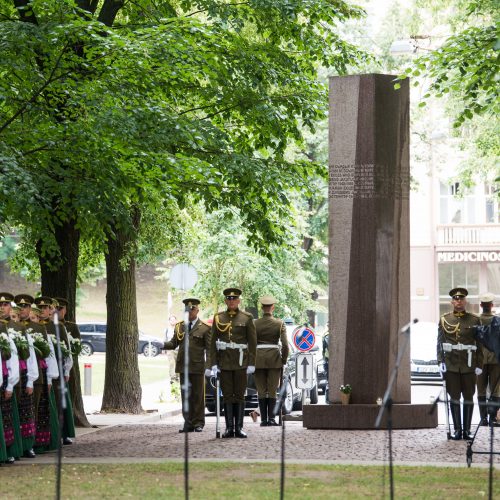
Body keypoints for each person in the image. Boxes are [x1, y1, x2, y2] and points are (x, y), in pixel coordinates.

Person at [210, 288, 256, 438]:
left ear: (238, 301)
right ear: (225, 301)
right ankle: (229, 428)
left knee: (240, 396)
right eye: (228, 299)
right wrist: (213, 363)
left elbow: (252, 342)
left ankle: (239, 428)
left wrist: (251, 363)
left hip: (241, 362)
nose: (231, 301)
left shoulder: (247, 318)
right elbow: (212, 343)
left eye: (234, 299)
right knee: (228, 396)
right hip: (224, 362)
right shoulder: (218, 318)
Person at [437, 287, 482, 440]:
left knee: (469, 398)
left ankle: (467, 430)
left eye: (461, 299)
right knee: (454, 398)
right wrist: (439, 361)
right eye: (456, 299)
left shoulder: (475, 320)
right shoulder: (445, 319)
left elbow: (480, 344)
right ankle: (457, 430)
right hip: (451, 365)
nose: (458, 301)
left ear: (465, 301)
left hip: (469, 365)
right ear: (452, 302)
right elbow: (440, 343)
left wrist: (479, 364)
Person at [163, 298, 211, 433]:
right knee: (186, 396)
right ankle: (188, 423)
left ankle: (198, 423)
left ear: (197, 310)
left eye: (191, 310)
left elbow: (209, 350)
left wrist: (208, 366)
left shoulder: (205, 328)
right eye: (186, 310)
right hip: (183, 367)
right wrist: (162, 345)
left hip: (198, 367)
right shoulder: (180, 326)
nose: (189, 312)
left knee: (198, 396)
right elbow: (174, 343)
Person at [253, 295, 289, 426]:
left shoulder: (255, 323)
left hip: (258, 359)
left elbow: (251, 343)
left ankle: (263, 420)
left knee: (261, 390)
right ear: (272, 307)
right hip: (274, 360)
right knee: (273, 390)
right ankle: (272, 419)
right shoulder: (279, 323)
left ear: (262, 308)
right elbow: (285, 345)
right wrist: (283, 360)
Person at [13, 294, 39, 458]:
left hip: (23, 374)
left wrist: (31, 379)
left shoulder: (26, 328)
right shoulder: (9, 326)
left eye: (25, 307)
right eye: (19, 307)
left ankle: (28, 445)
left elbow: (30, 356)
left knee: (26, 411)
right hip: (10, 374)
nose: (22, 310)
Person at [476, 292, 500, 426]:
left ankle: (483, 419)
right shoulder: (498, 321)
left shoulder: (476, 320)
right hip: (496, 360)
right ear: (492, 305)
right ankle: (492, 419)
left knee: (481, 390)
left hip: (479, 361)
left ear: (481, 305)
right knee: (495, 389)